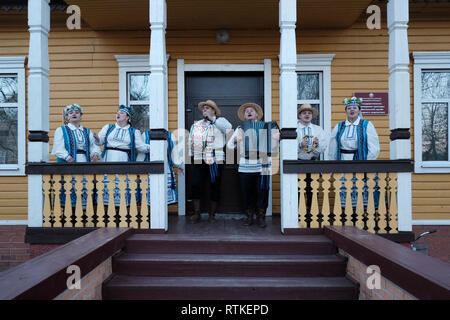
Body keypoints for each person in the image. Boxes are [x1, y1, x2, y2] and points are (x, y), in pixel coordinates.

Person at [227, 103, 280, 228]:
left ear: (257, 114)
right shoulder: (240, 128)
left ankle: (261, 217)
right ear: (244, 116)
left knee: (262, 192)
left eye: (252, 110)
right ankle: (249, 216)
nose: (249, 112)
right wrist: (235, 140)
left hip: (263, 165)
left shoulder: (267, 127)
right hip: (245, 166)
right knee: (247, 192)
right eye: (246, 111)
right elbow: (229, 145)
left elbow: (274, 146)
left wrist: (276, 137)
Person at [328, 96, 380, 210]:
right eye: (349, 108)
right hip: (343, 161)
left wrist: (367, 164)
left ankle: (363, 215)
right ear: (346, 111)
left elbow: (374, 147)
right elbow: (332, 147)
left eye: (355, 108)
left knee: (362, 188)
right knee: (345, 188)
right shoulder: (339, 126)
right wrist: (332, 164)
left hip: (360, 161)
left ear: (359, 110)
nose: (352, 110)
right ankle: (345, 214)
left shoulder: (366, 125)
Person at [94, 105, 150, 209]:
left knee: (120, 186)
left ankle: (122, 211)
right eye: (117, 112)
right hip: (108, 158)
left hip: (123, 159)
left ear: (128, 117)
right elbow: (100, 141)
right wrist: (96, 138)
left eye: (122, 113)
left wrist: (154, 148)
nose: (118, 114)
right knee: (106, 185)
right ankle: (106, 212)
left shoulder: (134, 132)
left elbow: (141, 147)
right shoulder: (108, 127)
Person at [188, 100, 232, 223]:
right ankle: (197, 213)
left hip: (216, 158)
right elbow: (191, 141)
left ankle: (212, 214)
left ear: (214, 110)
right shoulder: (197, 125)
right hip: (199, 158)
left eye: (207, 108)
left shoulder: (221, 121)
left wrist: (213, 120)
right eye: (203, 109)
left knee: (215, 185)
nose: (204, 110)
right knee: (196, 184)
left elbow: (229, 129)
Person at [51, 104, 101, 211]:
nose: (74, 114)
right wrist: (67, 157)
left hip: (84, 162)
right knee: (70, 187)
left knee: (84, 186)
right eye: (71, 113)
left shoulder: (87, 132)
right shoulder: (61, 130)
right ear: (67, 117)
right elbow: (58, 147)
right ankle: (70, 214)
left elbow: (94, 146)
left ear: (81, 116)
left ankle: (84, 214)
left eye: (77, 112)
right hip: (69, 163)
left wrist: (95, 154)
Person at [296, 104, 329, 218]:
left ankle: (310, 212)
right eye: (304, 113)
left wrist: (316, 145)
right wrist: (300, 145)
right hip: (298, 162)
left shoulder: (318, 129)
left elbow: (323, 146)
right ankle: (298, 212)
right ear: (299, 115)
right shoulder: (295, 129)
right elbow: (288, 146)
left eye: (309, 113)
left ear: (312, 116)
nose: (307, 115)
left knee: (312, 188)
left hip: (312, 161)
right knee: (298, 189)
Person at [136, 129, 183, 206]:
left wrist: (179, 166)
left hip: (165, 168)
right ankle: (151, 215)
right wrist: (138, 166)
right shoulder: (146, 134)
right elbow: (142, 153)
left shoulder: (170, 135)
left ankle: (162, 216)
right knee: (151, 192)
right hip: (149, 168)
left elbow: (174, 153)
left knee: (162, 191)